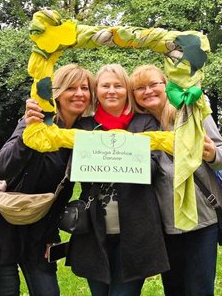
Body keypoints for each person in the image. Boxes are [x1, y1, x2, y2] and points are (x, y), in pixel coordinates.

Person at [0, 64, 95, 296]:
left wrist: (52, 235)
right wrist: (28, 137)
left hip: (40, 232)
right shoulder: (37, 122)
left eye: (85, 88)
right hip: (3, 224)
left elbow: (66, 190)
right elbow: (2, 168)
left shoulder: (86, 132)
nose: (80, 93)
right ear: (57, 93)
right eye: (71, 87)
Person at [64, 64, 169, 296]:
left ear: (127, 91)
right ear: (96, 91)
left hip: (136, 231)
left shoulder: (145, 123)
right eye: (105, 85)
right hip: (93, 231)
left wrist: (120, 156)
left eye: (118, 85)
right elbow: (73, 171)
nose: (112, 91)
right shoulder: (84, 127)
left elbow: (154, 168)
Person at [130, 64, 222, 296]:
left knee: (200, 289)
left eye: (154, 84)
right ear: (133, 94)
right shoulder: (135, 128)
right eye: (140, 87)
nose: (148, 91)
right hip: (165, 225)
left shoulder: (190, 111)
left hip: (202, 220)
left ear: (166, 86)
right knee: (173, 289)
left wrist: (213, 154)